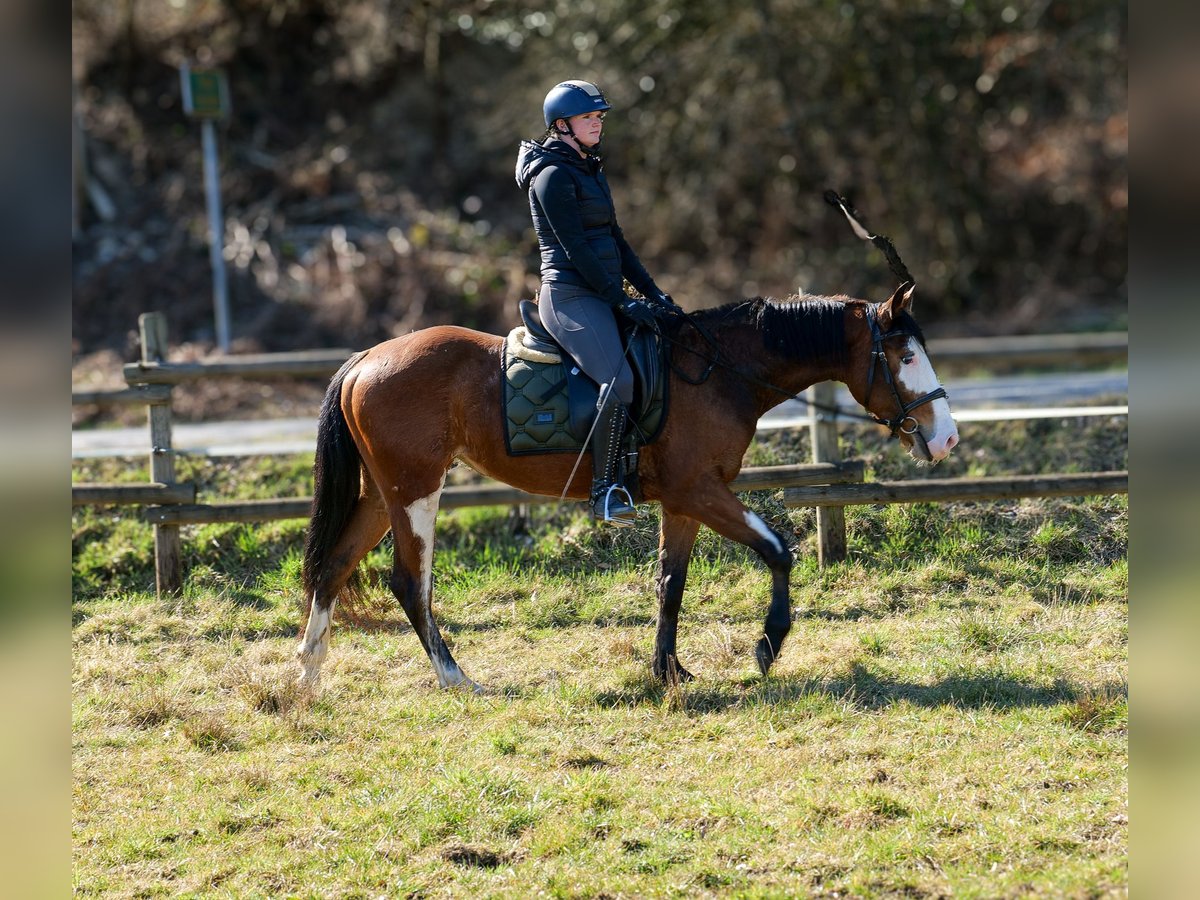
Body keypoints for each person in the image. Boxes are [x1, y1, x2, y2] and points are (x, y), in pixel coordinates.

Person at [515, 79, 680, 526]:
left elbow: (615, 242)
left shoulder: (590, 168)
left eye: (599, 117)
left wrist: (653, 293)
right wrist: (620, 302)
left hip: (602, 290)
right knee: (619, 380)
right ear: (562, 125)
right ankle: (605, 490)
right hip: (570, 295)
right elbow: (576, 251)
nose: (598, 124)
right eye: (589, 117)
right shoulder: (551, 176)